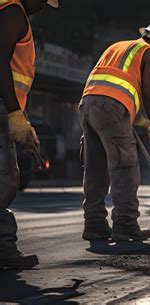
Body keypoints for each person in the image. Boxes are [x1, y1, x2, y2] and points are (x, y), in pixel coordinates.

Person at [79, 21, 150, 241]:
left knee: (95, 167)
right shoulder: (149, 54)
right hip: (110, 107)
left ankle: (94, 224)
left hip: (87, 104)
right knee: (125, 166)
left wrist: (145, 124)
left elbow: (113, 94)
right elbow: (149, 95)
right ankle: (125, 224)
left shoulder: (117, 46)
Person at [0, 0, 59, 269]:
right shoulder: (13, 11)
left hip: (9, 106)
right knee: (6, 178)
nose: (43, 8)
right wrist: (13, 113)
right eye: (43, 2)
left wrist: (22, 118)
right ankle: (3, 246)